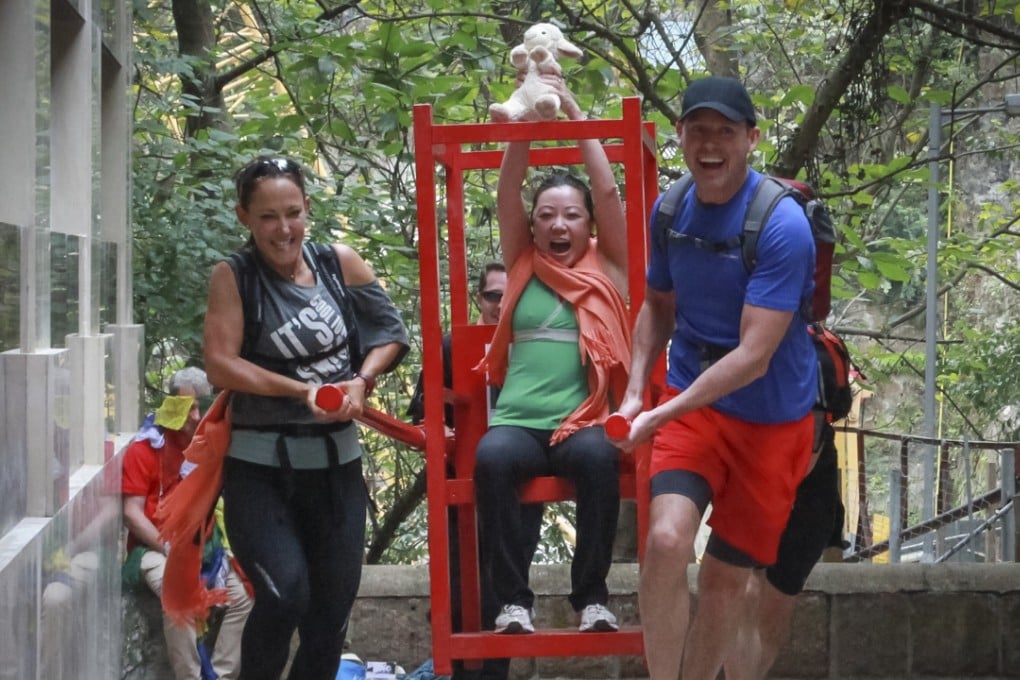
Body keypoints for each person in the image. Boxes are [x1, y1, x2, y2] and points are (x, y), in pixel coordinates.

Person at [610, 76, 818, 680]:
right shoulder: (670, 209)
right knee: (665, 542)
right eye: (697, 129)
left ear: (751, 139)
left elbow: (754, 355)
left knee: (726, 578)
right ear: (679, 135)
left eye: (724, 131)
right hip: (693, 403)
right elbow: (657, 305)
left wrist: (659, 414)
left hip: (773, 421)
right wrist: (635, 391)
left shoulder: (782, 225)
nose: (709, 144)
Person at [203, 155, 410, 680]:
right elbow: (220, 364)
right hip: (260, 471)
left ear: (307, 209)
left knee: (331, 614)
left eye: (292, 213)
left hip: (337, 468)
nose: (283, 229)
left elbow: (390, 333)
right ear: (244, 217)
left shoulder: (339, 263)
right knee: (284, 595)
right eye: (268, 217)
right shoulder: (235, 276)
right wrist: (303, 390)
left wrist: (361, 381)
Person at [473, 75, 631, 637]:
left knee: (600, 459)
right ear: (534, 224)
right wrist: (527, 118)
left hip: (581, 423)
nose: (558, 225)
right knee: (491, 459)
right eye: (546, 215)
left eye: (570, 215)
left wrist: (573, 109)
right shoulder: (524, 261)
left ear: (588, 224)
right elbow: (506, 191)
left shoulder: (607, 265)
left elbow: (607, 191)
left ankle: (591, 599)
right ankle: (513, 602)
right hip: (519, 422)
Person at [410, 262, 542, 680]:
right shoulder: (454, 346)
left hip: (520, 490)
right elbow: (423, 409)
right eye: (492, 295)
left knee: (506, 596)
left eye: (510, 295)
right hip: (462, 487)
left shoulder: (538, 345)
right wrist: (441, 426)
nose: (500, 304)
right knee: (457, 592)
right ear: (478, 299)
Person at [121, 367, 253, 680]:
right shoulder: (144, 448)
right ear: (171, 405)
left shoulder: (208, 447)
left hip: (202, 546)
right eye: (188, 407)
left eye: (201, 408)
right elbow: (131, 513)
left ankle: (221, 675)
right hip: (153, 548)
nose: (195, 416)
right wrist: (169, 548)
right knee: (179, 596)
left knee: (243, 597)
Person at [724, 422, 846, 679]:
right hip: (751, 456)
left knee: (778, 597)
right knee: (746, 590)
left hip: (809, 472)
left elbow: (827, 413)